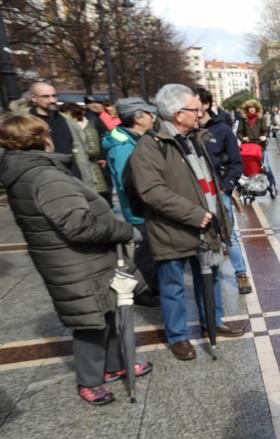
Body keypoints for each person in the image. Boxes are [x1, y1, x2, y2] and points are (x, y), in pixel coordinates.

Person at [0, 113, 151, 405]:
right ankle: (90, 380)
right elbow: (78, 224)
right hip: (74, 261)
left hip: (77, 260)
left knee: (105, 314)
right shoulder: (43, 175)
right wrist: (123, 230)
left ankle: (114, 364)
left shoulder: (30, 171)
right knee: (90, 322)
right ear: (39, 139)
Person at [130, 84, 245, 361]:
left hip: (206, 226)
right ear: (177, 113)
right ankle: (178, 336)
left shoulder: (196, 138)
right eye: (195, 109)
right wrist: (194, 214)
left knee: (211, 277)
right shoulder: (151, 146)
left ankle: (213, 321)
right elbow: (151, 191)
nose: (201, 113)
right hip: (173, 229)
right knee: (172, 285)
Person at [102, 97, 160, 302]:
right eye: (147, 113)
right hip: (139, 209)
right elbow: (130, 182)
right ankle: (145, 291)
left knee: (148, 250)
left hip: (145, 207)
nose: (152, 117)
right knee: (145, 252)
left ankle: (152, 286)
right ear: (137, 117)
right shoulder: (123, 146)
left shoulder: (135, 139)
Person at [196, 88, 252, 295]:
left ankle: (241, 273)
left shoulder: (222, 129)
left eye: (198, 105)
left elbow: (237, 162)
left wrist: (226, 186)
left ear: (206, 104)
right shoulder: (187, 130)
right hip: (195, 193)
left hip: (220, 191)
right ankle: (207, 277)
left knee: (229, 234)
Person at [25, 82, 88, 180]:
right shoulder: (25, 121)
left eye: (54, 96)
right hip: (45, 178)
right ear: (34, 98)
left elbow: (80, 148)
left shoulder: (66, 119)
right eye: (46, 96)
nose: (52, 100)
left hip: (74, 177)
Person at [63, 102, 111, 204]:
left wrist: (77, 151)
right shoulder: (67, 128)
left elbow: (94, 150)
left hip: (91, 172)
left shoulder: (86, 127)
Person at [237, 98, 276, 193]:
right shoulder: (243, 119)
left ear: (256, 109)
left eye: (253, 108)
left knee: (265, 167)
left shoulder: (261, 118)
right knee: (246, 167)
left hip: (260, 146)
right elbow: (239, 132)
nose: (251, 109)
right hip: (248, 146)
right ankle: (247, 186)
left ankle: (272, 185)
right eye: (249, 108)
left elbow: (266, 130)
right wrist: (243, 138)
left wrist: (264, 136)